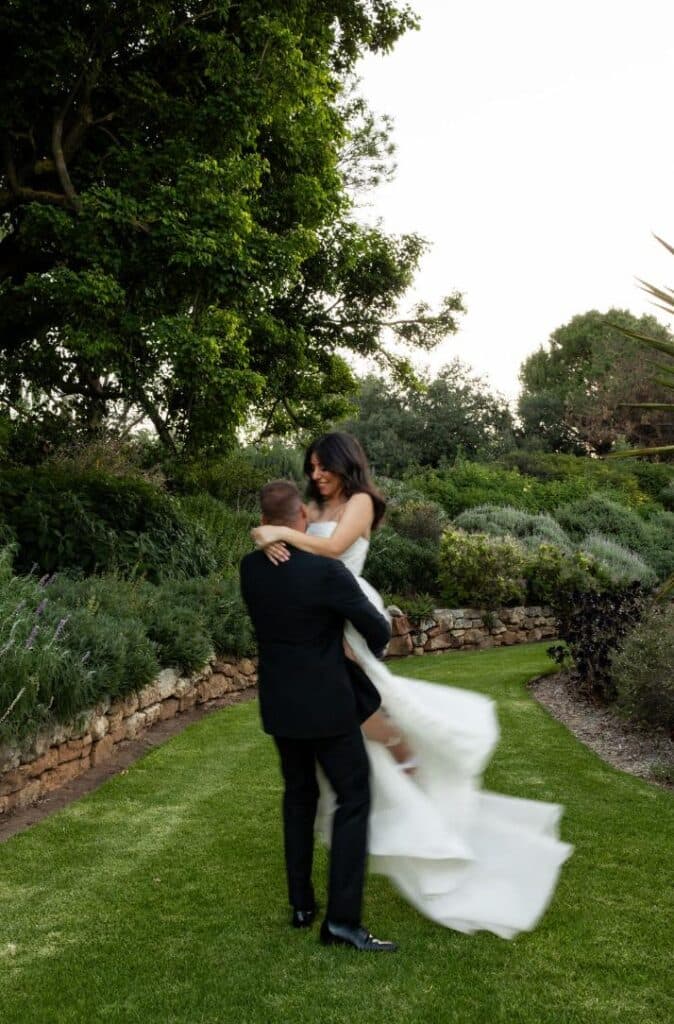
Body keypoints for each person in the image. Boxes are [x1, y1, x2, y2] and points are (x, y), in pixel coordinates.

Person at [251, 432, 573, 939]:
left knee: (366, 724)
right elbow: (286, 519)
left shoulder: (360, 501)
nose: (315, 474)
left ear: (343, 462)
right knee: (362, 734)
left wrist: (277, 537)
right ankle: (402, 778)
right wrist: (267, 532)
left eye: (322, 466)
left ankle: (414, 769)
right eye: (310, 467)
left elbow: (331, 547)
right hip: (322, 616)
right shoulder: (312, 505)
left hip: (346, 611)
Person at [240, 480, 398, 952]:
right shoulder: (325, 573)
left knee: (299, 796)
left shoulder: (250, 570)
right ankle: (342, 923)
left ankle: (301, 904)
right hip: (329, 706)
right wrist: (362, 649)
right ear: (302, 518)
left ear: (266, 525)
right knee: (354, 799)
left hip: (280, 705)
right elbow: (376, 627)